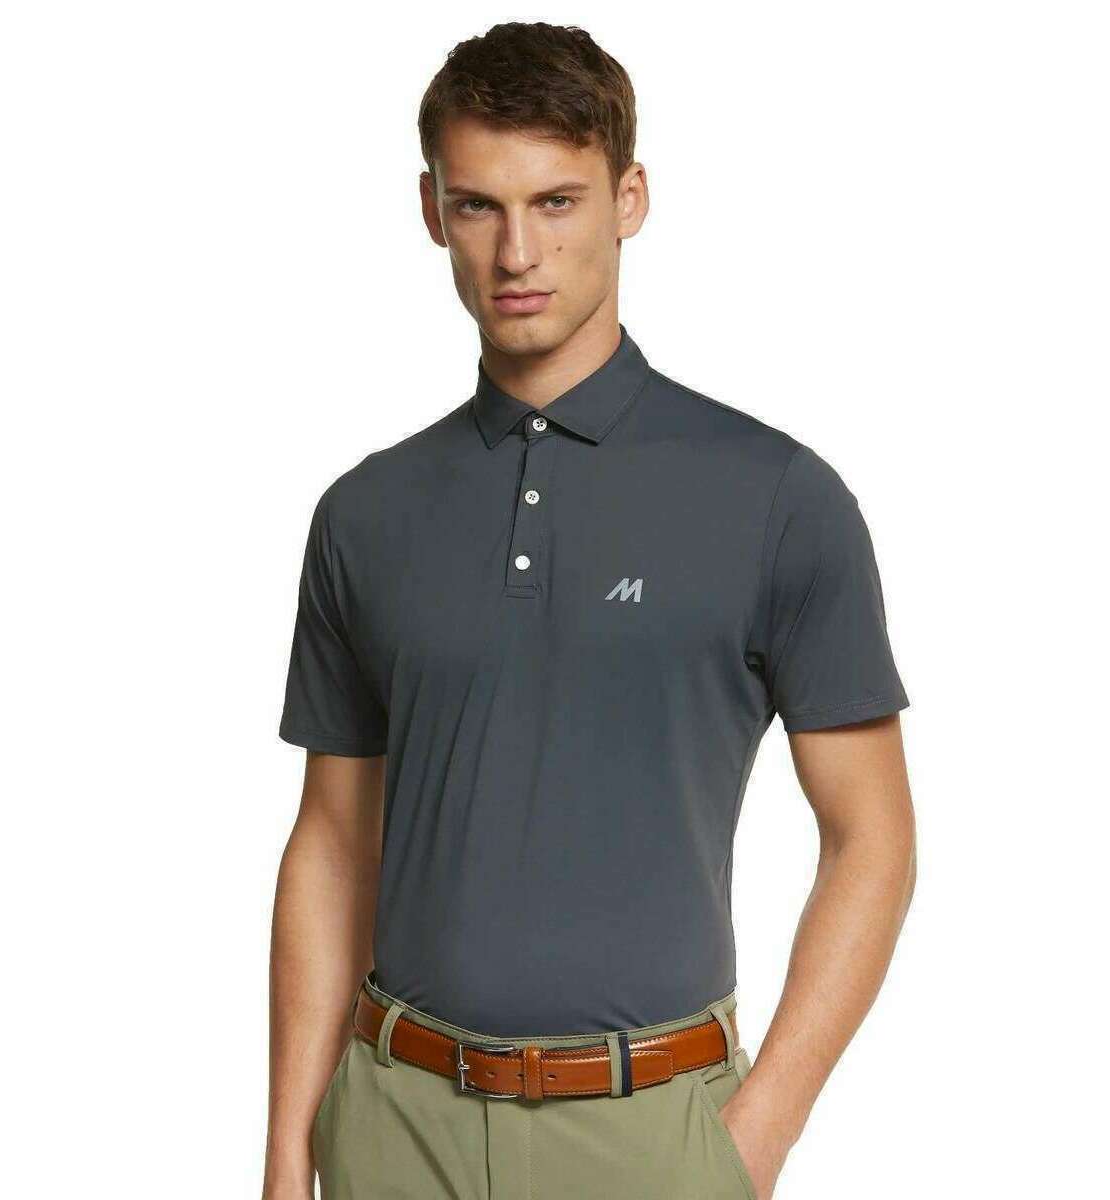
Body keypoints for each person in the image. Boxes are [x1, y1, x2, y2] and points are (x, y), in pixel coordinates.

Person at [262, 20, 916, 1200]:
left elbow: (872, 838)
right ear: (431, 210)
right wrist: (285, 1155)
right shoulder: (364, 513)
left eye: (556, 202)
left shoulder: (776, 497)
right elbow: (333, 842)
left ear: (630, 199)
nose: (517, 251)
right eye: (478, 205)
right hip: (393, 1127)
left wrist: (753, 1138)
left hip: (653, 1137)